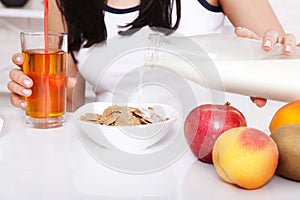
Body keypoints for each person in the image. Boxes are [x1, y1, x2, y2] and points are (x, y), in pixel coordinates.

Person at [8, 0, 297, 112]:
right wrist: (32, 90)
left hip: (207, 160)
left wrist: (249, 52)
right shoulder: (66, 3)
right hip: (110, 159)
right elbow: (69, 98)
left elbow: (287, 66)